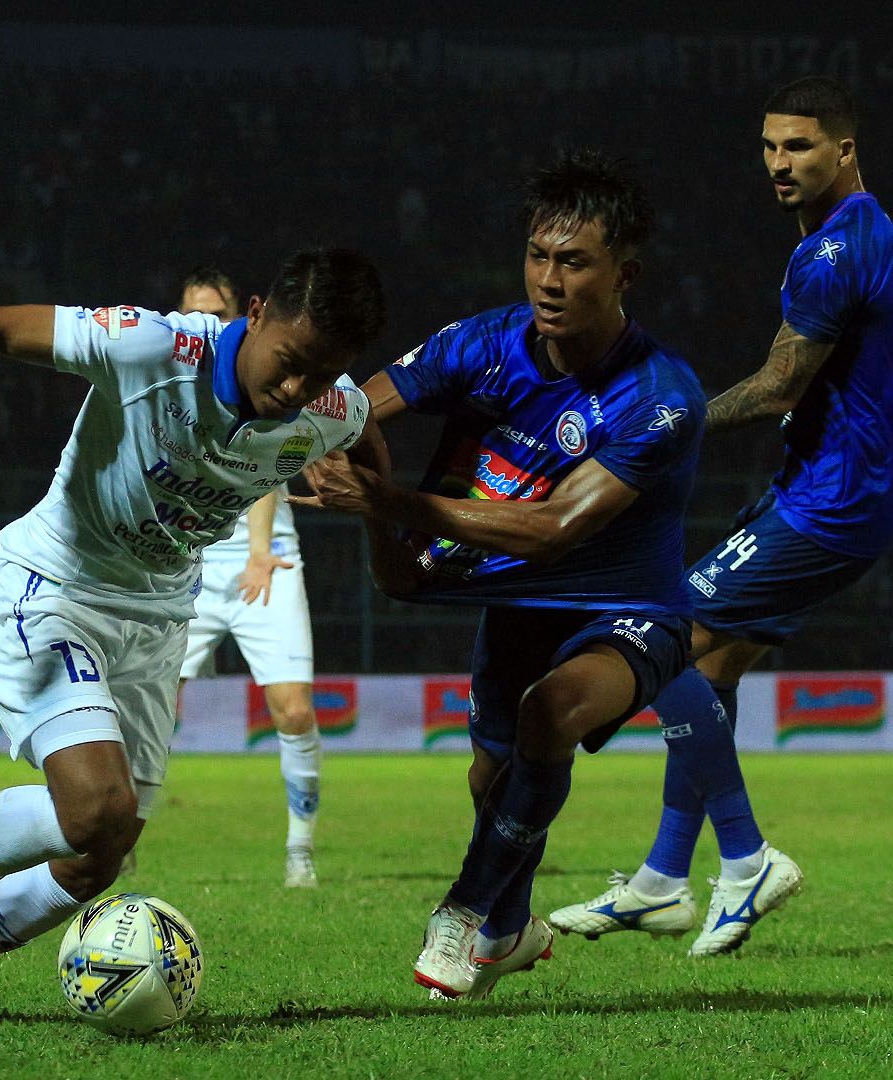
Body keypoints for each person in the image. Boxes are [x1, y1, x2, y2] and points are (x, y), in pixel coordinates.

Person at [0, 247, 382, 1025]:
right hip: (52, 591)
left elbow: (367, 435)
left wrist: (388, 518)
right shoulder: (153, 347)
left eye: (322, 374)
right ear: (258, 313)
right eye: (293, 362)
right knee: (98, 807)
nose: (298, 389)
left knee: (101, 851)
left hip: (158, 621)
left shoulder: (329, 409)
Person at [548, 77, 893, 957]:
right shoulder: (881, 235)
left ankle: (746, 858)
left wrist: (661, 426)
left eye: (797, 147)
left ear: (844, 149)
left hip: (832, 501)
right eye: (768, 147)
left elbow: (779, 384)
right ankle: (664, 881)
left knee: (661, 631)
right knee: (708, 665)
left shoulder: (828, 254)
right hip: (836, 493)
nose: (778, 164)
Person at [292, 151, 710, 999]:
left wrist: (389, 499)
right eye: (537, 256)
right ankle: (513, 929)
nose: (548, 280)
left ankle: (462, 913)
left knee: (548, 714)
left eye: (574, 261)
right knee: (490, 779)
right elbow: (350, 408)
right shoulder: (483, 344)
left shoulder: (660, 397)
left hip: (629, 610)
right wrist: (272, 443)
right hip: (514, 604)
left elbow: (554, 529)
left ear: (623, 273)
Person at [175, 266, 325, 889]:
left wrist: (260, 550)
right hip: (189, 562)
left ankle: (300, 853)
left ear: (242, 316)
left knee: (291, 710)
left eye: (216, 311)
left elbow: (265, 463)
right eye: (194, 313)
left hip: (263, 557)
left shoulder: (252, 371)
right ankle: (117, 839)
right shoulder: (173, 376)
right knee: (148, 708)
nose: (204, 323)